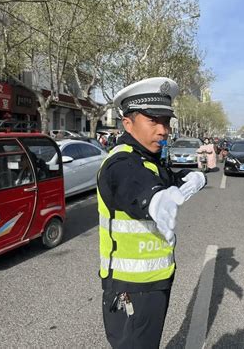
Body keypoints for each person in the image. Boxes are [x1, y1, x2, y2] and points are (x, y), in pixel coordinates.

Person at [98, 77, 206, 349]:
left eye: (166, 122)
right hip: (132, 288)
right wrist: (156, 201)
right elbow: (137, 187)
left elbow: (164, 181)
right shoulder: (121, 162)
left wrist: (195, 178)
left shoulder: (148, 159)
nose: (163, 130)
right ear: (127, 123)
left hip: (154, 283)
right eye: (153, 121)